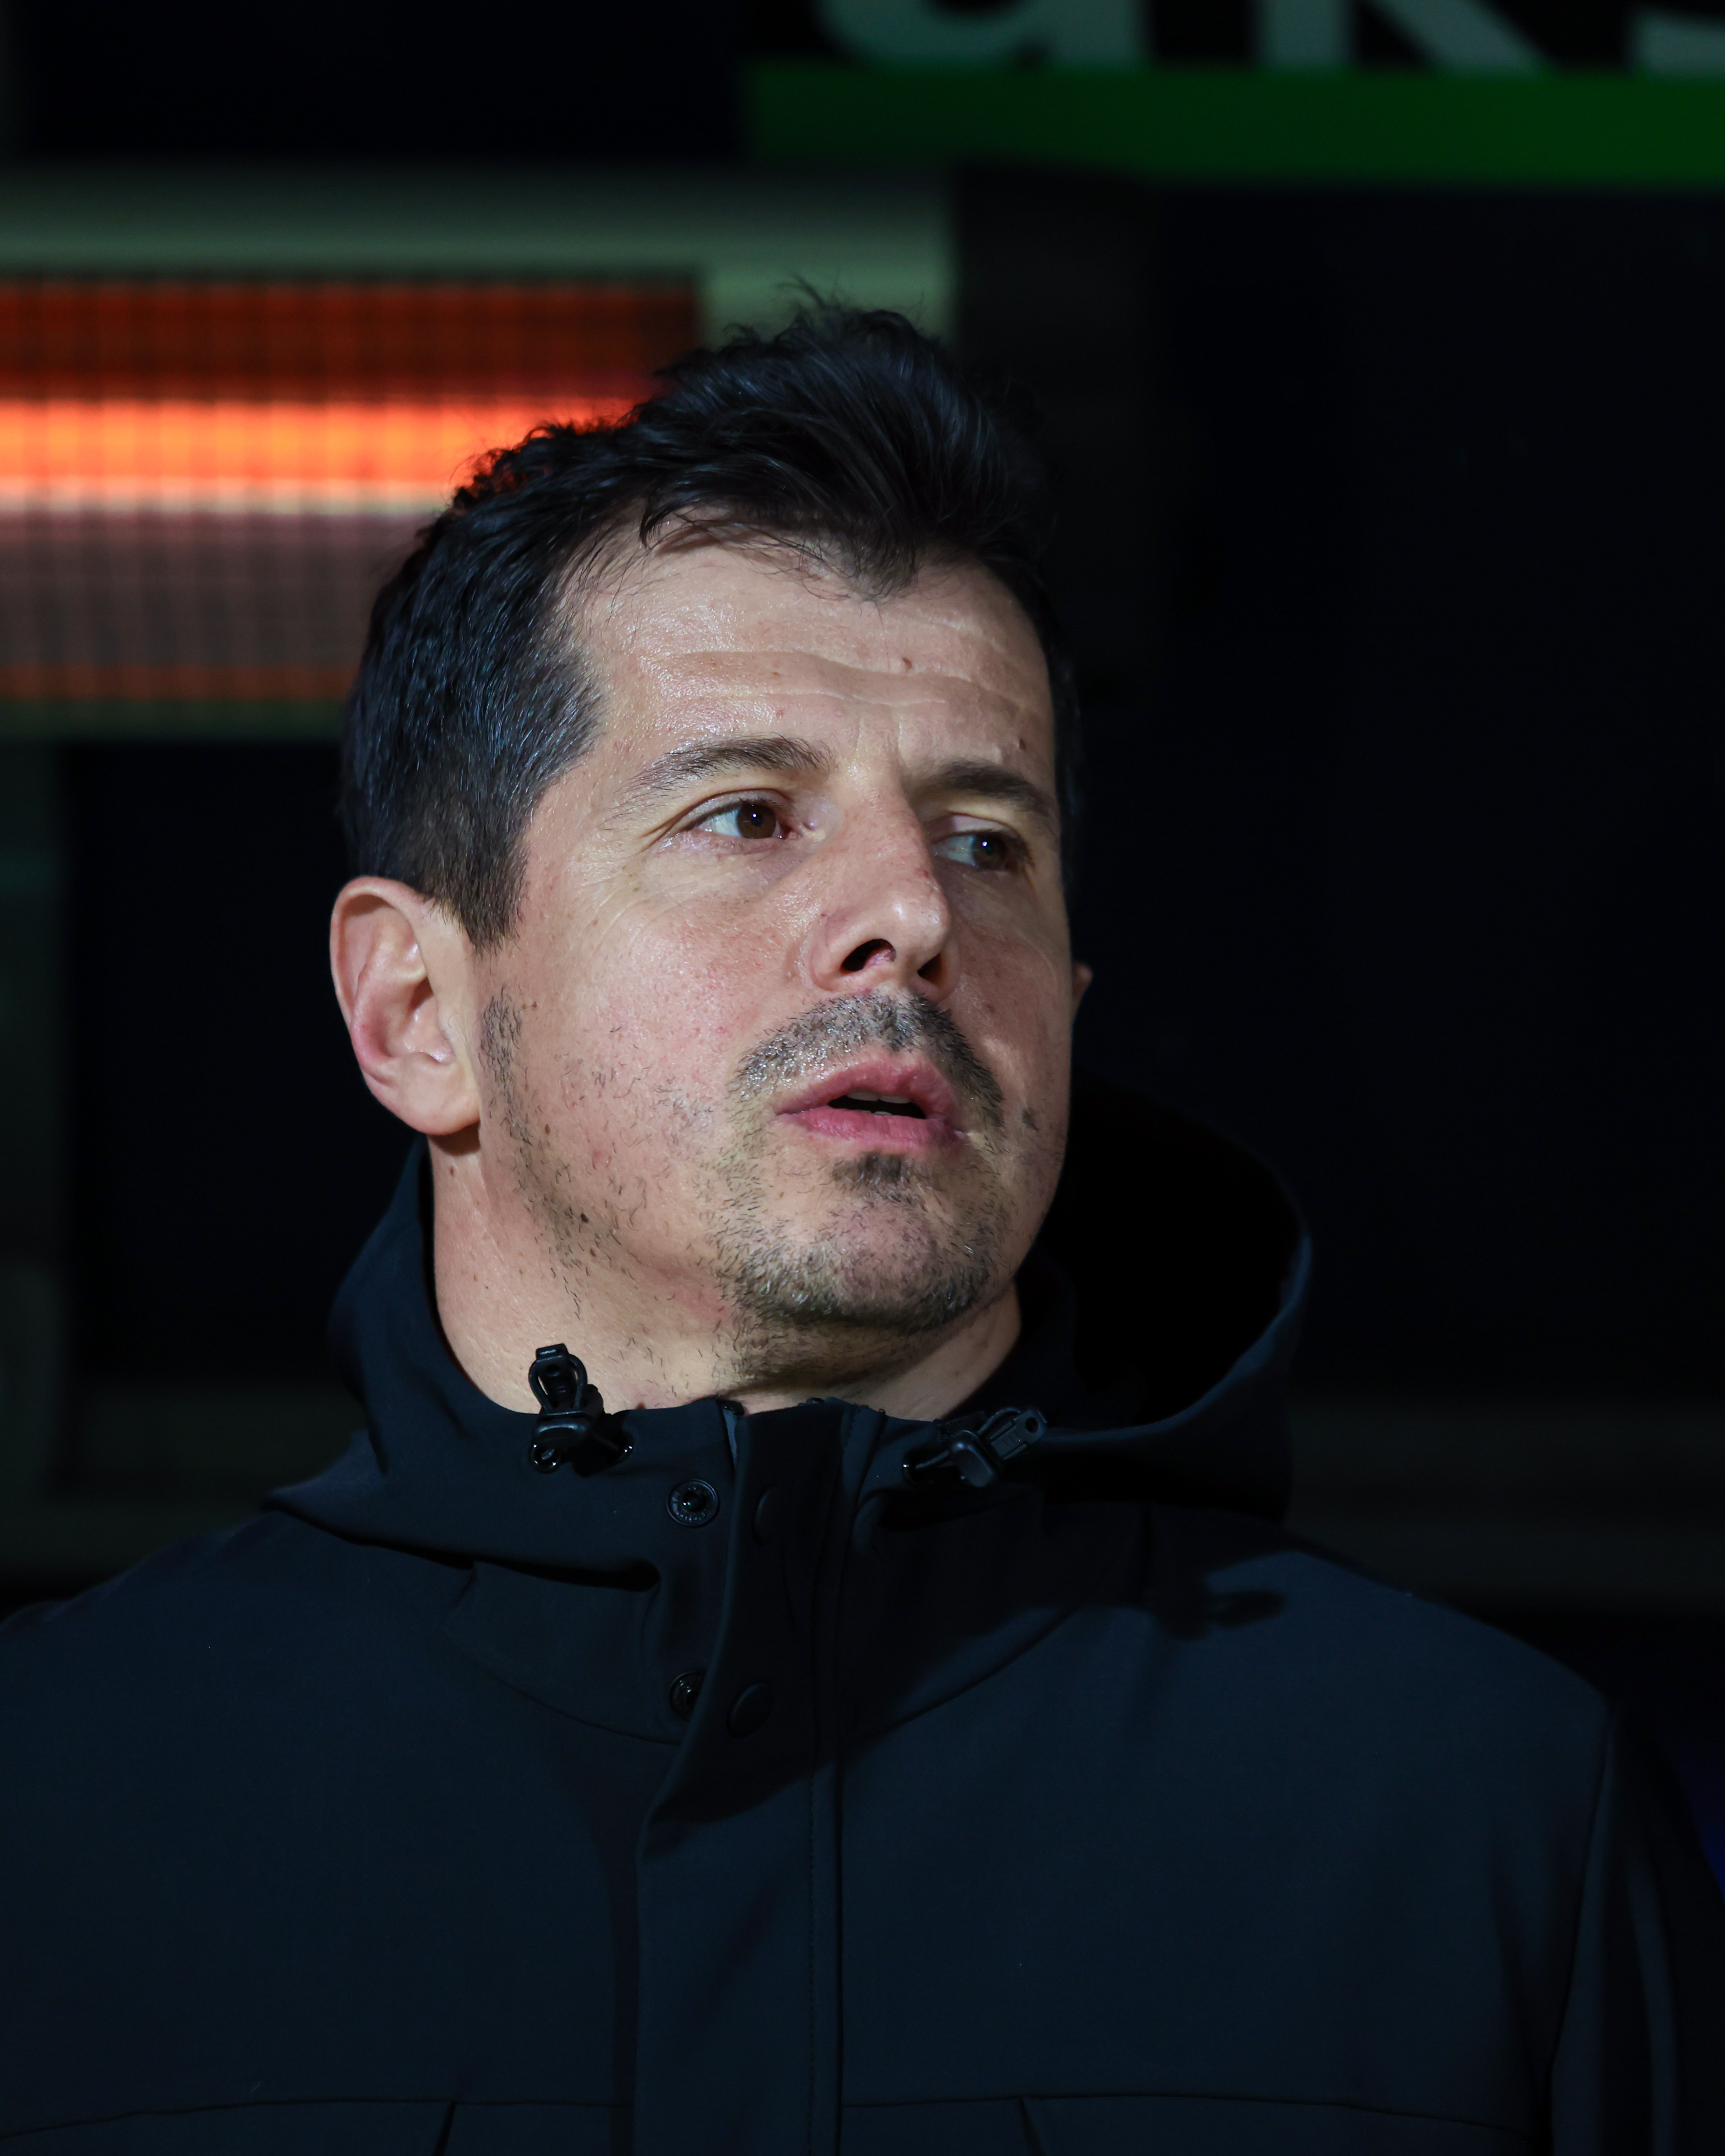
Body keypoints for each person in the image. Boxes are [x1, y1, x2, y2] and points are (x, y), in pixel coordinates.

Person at [2, 309, 1722, 2155]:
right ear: (418, 1010)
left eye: (986, 840)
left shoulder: (1483, 1827)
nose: (910, 910)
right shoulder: (49, 1809)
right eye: (746, 815)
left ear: (1068, 999)